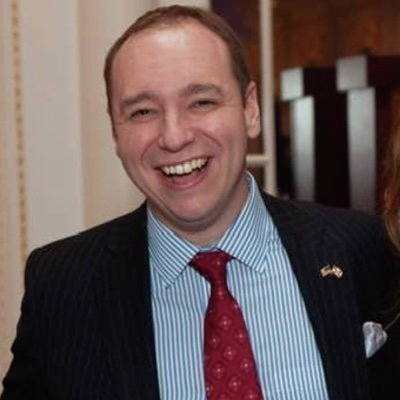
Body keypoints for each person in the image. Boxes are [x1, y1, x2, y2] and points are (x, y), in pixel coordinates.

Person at [1, 5, 400, 400]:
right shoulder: (62, 288)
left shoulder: (366, 249)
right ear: (115, 133)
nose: (174, 137)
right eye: (143, 111)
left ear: (250, 109)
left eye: (202, 102)